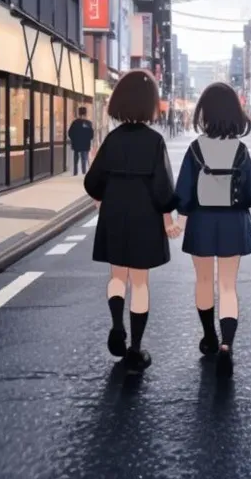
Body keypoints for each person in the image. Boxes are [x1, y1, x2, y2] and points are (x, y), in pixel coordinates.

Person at [84, 70, 176, 373]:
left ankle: (116, 325)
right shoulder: (155, 142)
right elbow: (164, 190)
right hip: (144, 216)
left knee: (117, 277)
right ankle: (135, 348)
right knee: (140, 282)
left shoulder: (112, 139)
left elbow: (92, 182)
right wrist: (168, 217)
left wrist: (103, 200)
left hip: (115, 213)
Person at [172, 82, 251, 378]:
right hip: (233, 222)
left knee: (203, 281)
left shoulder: (196, 148)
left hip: (201, 221)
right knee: (227, 285)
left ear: (205, 113)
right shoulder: (241, 149)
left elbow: (183, 192)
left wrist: (179, 222)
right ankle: (227, 344)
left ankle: (209, 337)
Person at [68, 106, 94, 175]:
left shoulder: (75, 123)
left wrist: (74, 139)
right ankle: (84, 172)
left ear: (78, 114)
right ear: (85, 114)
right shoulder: (88, 123)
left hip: (76, 144)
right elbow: (91, 135)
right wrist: (87, 139)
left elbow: (70, 133)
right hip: (85, 144)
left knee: (76, 159)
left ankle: (75, 172)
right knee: (84, 158)